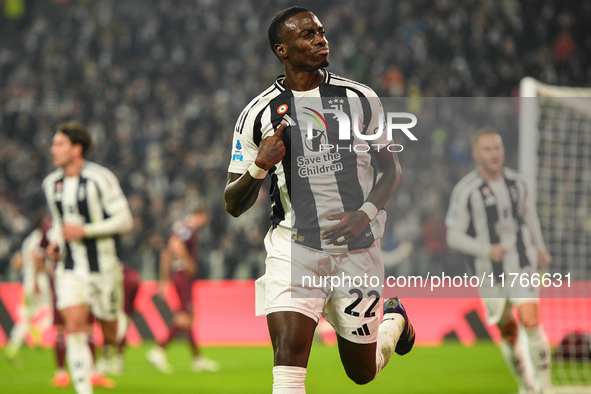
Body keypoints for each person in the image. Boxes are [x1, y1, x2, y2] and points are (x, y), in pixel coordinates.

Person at [224, 7, 413, 393]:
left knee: (362, 372)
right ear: (282, 50)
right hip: (294, 249)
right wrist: (260, 165)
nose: (320, 39)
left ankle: (394, 321)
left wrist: (366, 213)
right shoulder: (257, 114)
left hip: (356, 251)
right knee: (289, 362)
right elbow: (232, 203)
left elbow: (391, 170)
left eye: (321, 32)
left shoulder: (359, 98)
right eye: (307, 34)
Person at [445, 127, 553, 394]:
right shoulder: (466, 190)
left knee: (530, 320)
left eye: (498, 148)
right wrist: (486, 249)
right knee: (509, 332)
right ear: (475, 154)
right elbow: (453, 236)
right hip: (489, 272)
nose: (494, 153)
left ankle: (546, 387)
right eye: (487, 149)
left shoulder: (518, 182)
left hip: (522, 261)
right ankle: (527, 385)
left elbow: (530, 217)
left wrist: (540, 248)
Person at [42, 121, 133, 394]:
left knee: (111, 334)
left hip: (104, 266)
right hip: (70, 268)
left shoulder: (100, 178)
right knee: (75, 329)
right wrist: (55, 243)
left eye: (59, 144)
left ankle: (115, 326)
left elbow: (125, 221)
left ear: (76, 148)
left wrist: (85, 231)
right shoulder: (51, 184)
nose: (52, 149)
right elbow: (60, 223)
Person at [146, 209, 220, 373]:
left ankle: (197, 358)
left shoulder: (179, 226)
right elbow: (175, 244)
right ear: (200, 215)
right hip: (182, 275)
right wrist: (188, 262)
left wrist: (164, 279)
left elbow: (166, 253)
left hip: (177, 274)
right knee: (184, 317)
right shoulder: (188, 227)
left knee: (188, 316)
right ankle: (159, 350)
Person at [4, 215, 53, 362]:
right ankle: (38, 328)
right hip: (39, 282)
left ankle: (12, 348)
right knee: (55, 311)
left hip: (27, 282)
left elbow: (18, 261)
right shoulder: (40, 238)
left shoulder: (28, 240)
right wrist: (38, 280)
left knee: (25, 317)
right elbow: (37, 258)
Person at [97, 263, 140, 376]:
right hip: (120, 307)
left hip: (114, 307)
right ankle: (117, 360)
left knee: (110, 329)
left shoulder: (119, 274)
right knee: (119, 330)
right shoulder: (132, 275)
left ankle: (108, 359)